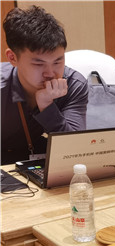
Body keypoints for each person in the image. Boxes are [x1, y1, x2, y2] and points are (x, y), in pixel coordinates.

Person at [1, 5, 88, 165]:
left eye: (57, 61)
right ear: (12, 58)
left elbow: (74, 149)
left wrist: (47, 106)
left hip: (35, 158)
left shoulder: (74, 84)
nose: (50, 73)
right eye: (38, 64)